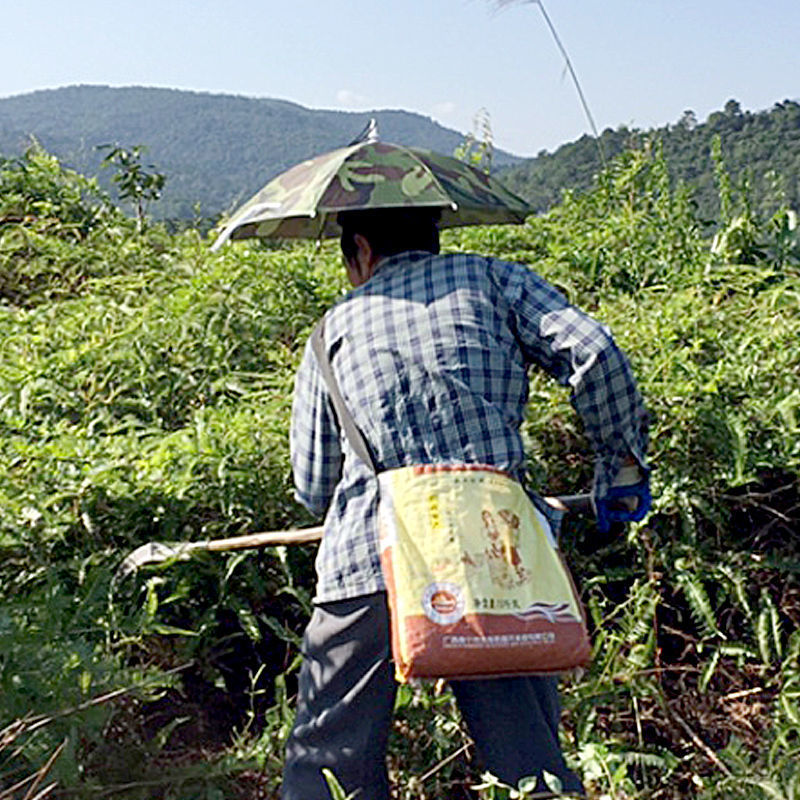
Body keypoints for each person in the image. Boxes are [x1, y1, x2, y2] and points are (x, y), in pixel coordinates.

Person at [284, 207, 650, 799]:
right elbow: (595, 352)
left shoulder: (331, 330)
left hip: (366, 556)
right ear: (434, 235)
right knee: (528, 761)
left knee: (327, 759)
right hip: (494, 555)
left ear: (360, 250)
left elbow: (313, 486)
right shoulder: (495, 280)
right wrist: (620, 468)